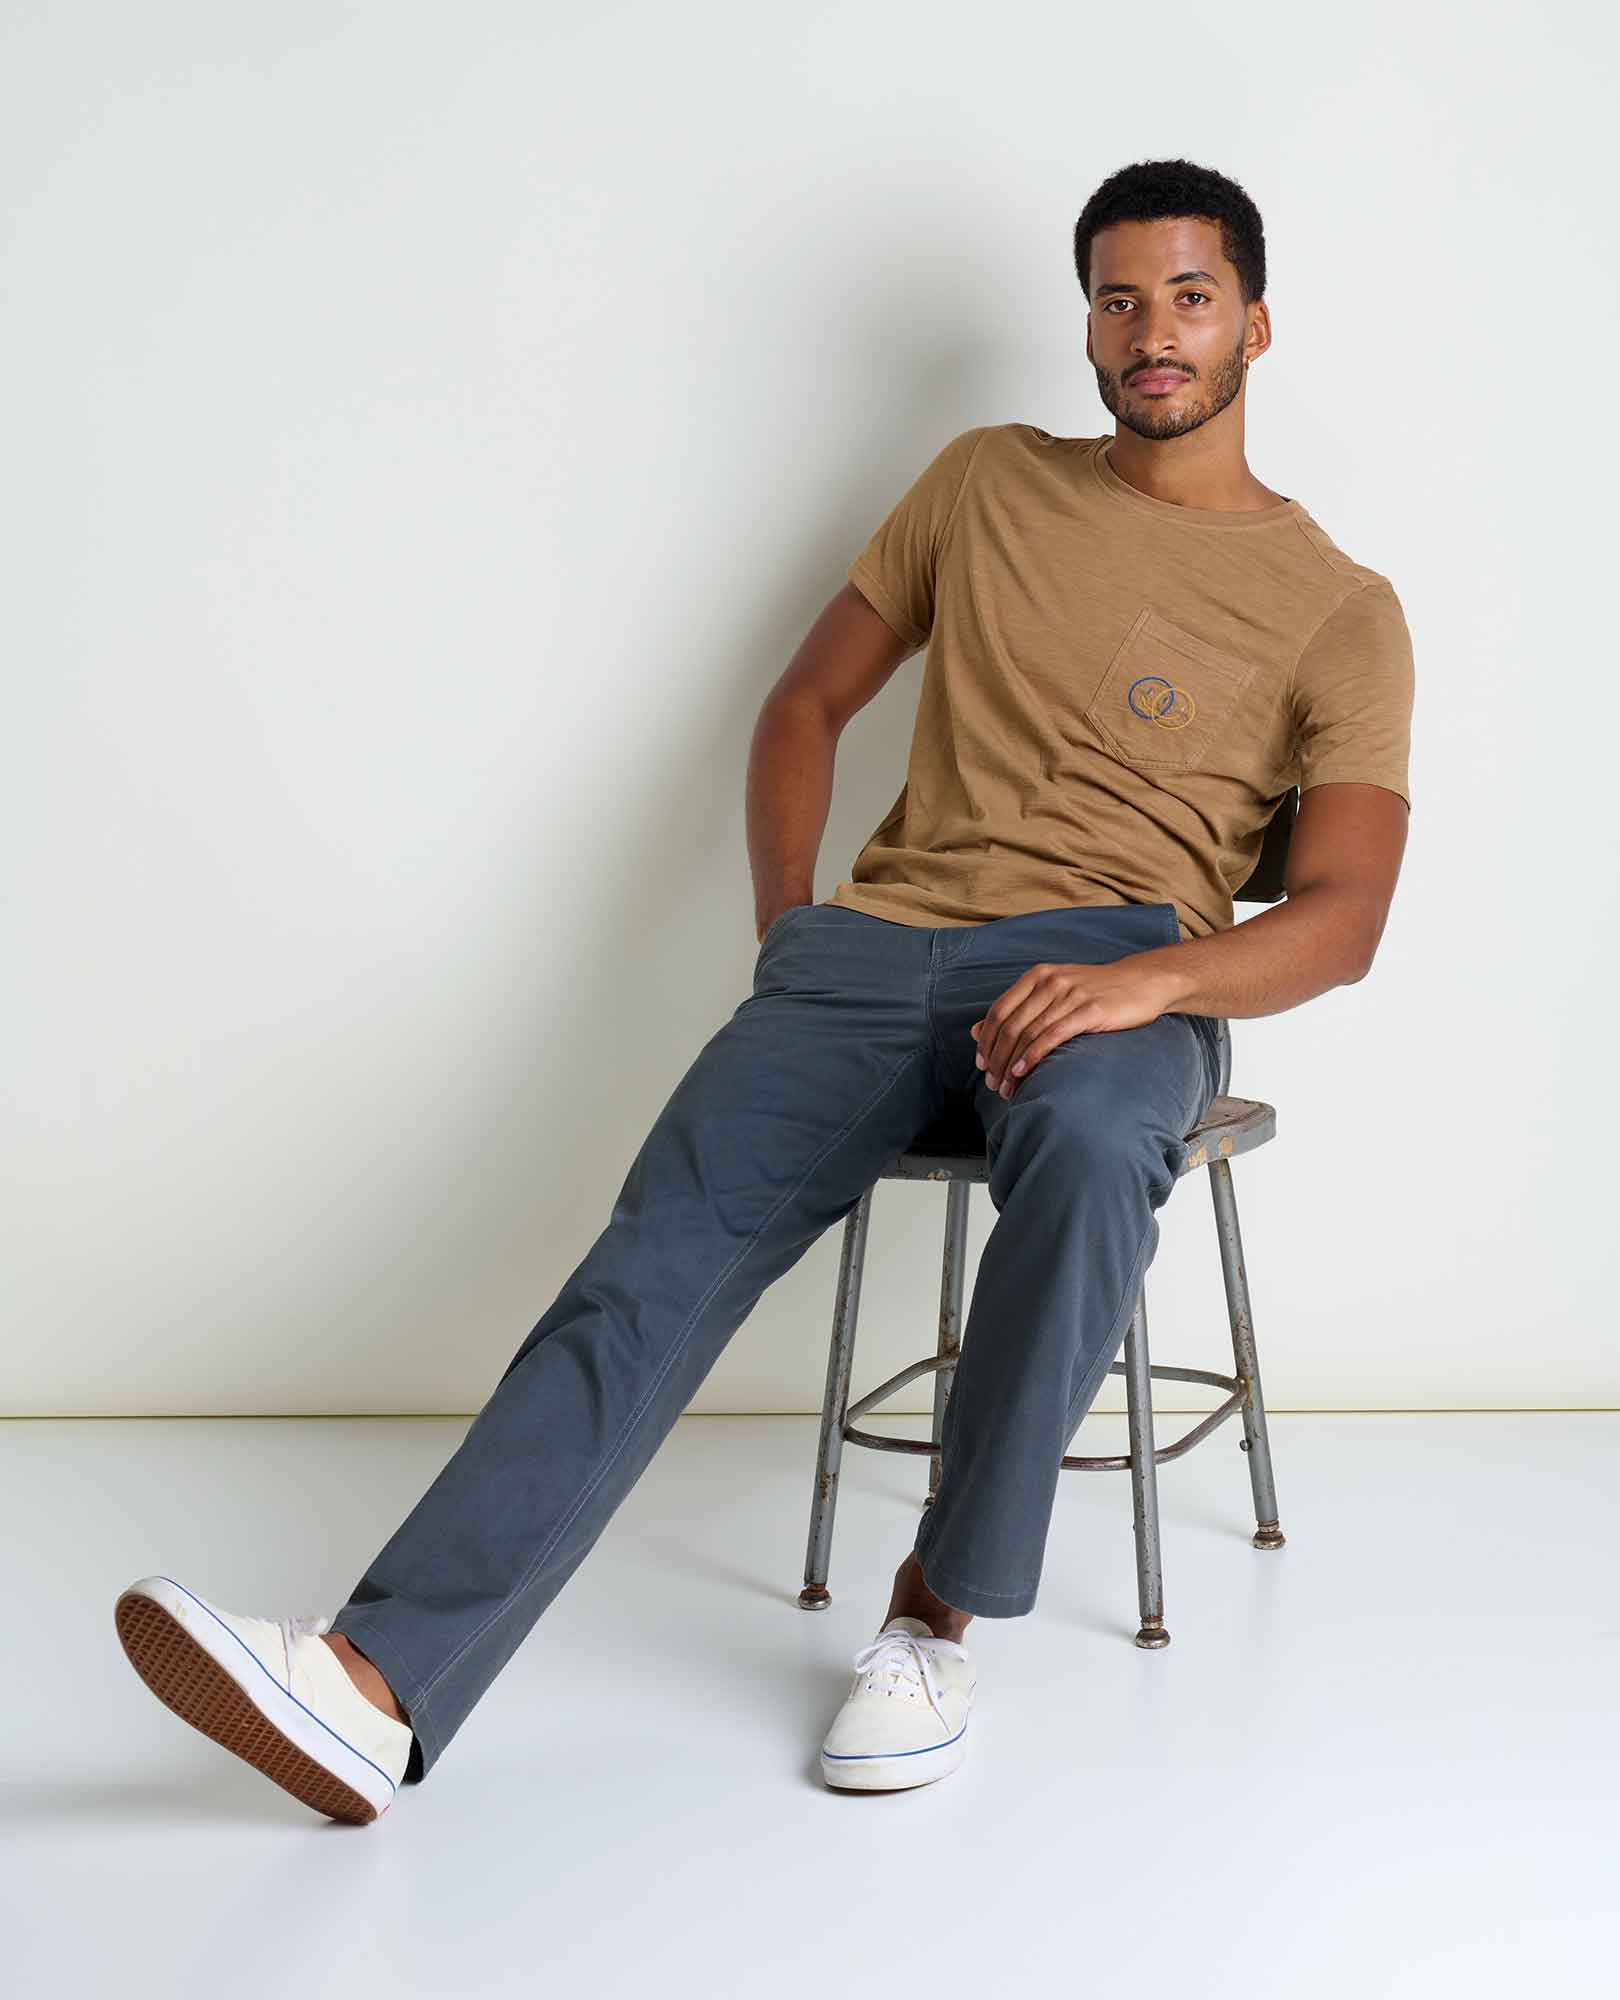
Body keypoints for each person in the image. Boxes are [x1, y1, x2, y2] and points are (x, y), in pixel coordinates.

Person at [113, 156, 1413, 1823]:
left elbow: (1344, 916)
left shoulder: (1339, 608)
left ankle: (932, 1620)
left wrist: (1151, 979)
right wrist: (789, 923)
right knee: (650, 1260)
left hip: (1118, 964)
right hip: (873, 955)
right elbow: (804, 704)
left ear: (1255, 325)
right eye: (1118, 299)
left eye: (1190, 298)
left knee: (1096, 1150)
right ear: (1087, 325)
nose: (1152, 331)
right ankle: (372, 1686)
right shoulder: (983, 481)